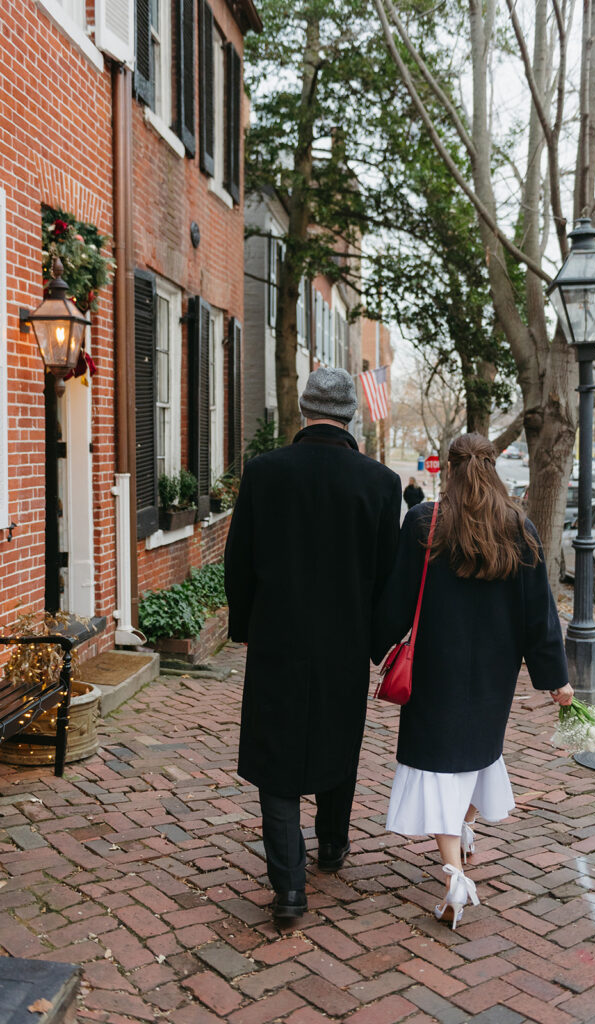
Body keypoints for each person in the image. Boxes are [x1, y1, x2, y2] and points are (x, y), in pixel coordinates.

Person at [372, 432, 572, 929]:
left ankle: (456, 878)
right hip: (492, 674)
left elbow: (398, 597)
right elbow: (539, 617)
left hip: (435, 671)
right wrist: (557, 680)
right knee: (476, 757)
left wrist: (373, 644)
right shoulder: (519, 527)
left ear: (449, 469)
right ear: (492, 466)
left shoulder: (426, 522)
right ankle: (462, 839)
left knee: (440, 766)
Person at [225, 367, 402, 922]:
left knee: (276, 757)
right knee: (336, 741)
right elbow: (389, 578)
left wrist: (247, 628)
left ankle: (289, 890)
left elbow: (239, 562)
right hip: (344, 643)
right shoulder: (380, 483)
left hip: (277, 639)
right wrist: (373, 643)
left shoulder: (264, 472)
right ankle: (331, 846)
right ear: (349, 416)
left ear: (303, 412)